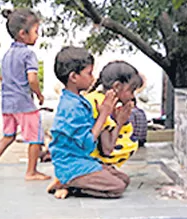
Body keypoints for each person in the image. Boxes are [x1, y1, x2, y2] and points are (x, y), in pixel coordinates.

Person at [46, 48, 134, 199]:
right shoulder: (71, 107)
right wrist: (104, 114)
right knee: (117, 187)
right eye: (89, 73)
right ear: (73, 77)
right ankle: (69, 184)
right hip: (71, 165)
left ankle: (70, 182)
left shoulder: (79, 101)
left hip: (83, 161)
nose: (93, 78)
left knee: (124, 180)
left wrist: (112, 118)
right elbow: (87, 143)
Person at [0, 8, 50, 182]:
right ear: (23, 34)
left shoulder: (7, 55)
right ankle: (31, 172)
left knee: (8, 136)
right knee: (35, 137)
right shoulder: (28, 54)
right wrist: (39, 95)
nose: (38, 35)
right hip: (24, 104)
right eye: (36, 31)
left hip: (7, 103)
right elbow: (32, 79)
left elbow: (2, 77)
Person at [83, 61, 143, 165]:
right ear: (117, 86)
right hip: (89, 162)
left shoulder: (94, 98)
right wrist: (120, 122)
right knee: (121, 181)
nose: (132, 97)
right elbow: (107, 149)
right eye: (131, 91)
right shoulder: (102, 105)